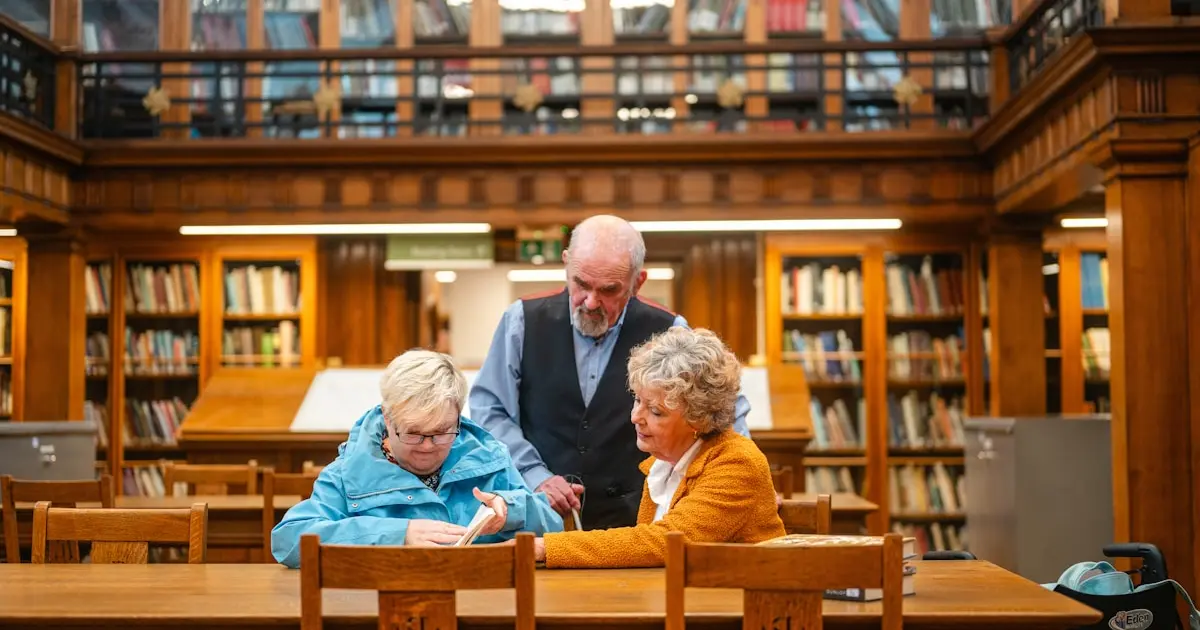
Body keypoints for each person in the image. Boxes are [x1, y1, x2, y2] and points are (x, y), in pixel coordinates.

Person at [469, 215, 752, 530]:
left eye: (608, 290)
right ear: (566, 263)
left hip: (637, 519)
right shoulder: (521, 321)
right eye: (581, 284)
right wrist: (535, 474)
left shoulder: (668, 330)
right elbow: (489, 410)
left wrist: (741, 476)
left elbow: (723, 412)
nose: (590, 302)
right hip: (539, 514)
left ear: (637, 282)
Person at [271, 350, 563, 568]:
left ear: (458, 416)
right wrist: (398, 535)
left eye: (441, 432)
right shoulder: (349, 472)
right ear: (387, 419)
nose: (427, 446)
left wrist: (510, 510)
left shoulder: (491, 457)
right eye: (413, 433)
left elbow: (554, 527)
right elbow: (288, 540)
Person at [531, 327, 785, 568]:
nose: (635, 417)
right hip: (691, 601)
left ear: (698, 418)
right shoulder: (662, 462)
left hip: (746, 607)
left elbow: (664, 542)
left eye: (655, 411)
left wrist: (547, 547)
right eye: (637, 400)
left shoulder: (738, 462)